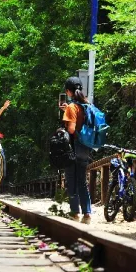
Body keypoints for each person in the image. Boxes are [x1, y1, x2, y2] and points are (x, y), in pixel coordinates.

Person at [59, 77, 92, 223]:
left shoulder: (72, 107)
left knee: (71, 181)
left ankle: (74, 213)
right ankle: (87, 214)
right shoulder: (87, 105)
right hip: (85, 147)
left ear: (68, 91)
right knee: (82, 181)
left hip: (73, 148)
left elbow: (72, 128)